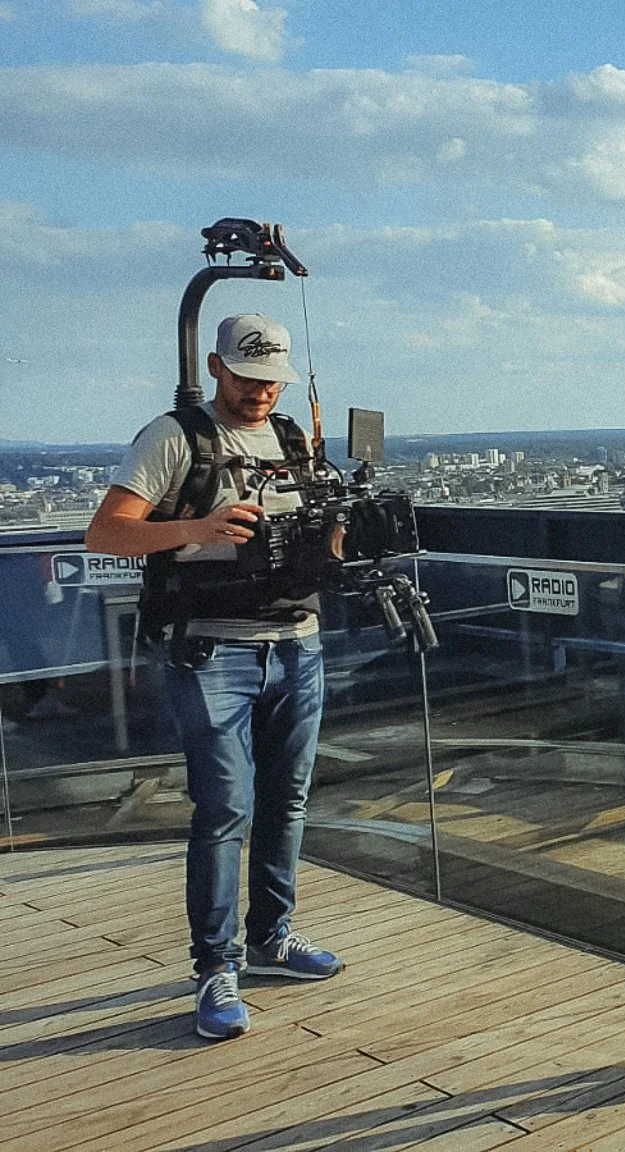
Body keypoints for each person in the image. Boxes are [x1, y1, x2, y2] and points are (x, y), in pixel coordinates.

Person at [84, 314, 342, 1042]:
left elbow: (312, 540)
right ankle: (215, 966)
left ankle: (271, 938)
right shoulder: (175, 438)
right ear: (216, 368)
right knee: (225, 807)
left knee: (287, 800)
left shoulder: (292, 438)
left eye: (272, 381)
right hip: (211, 648)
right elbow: (106, 532)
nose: (262, 393)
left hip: (296, 642)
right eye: (249, 378)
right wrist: (198, 529)